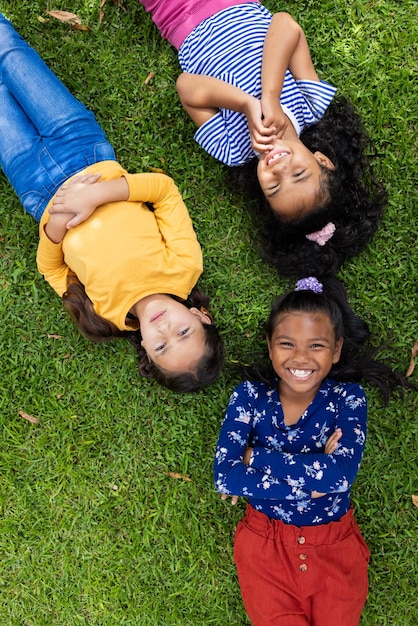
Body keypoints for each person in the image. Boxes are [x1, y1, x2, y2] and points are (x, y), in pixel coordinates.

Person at [0, 13, 224, 392]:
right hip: (82, 147)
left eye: (161, 345)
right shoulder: (185, 267)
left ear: (145, 352)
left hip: (34, 184)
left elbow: (53, 272)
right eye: (184, 331)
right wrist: (96, 194)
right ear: (201, 315)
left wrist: (56, 223)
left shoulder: (103, 318)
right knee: (12, 58)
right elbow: (164, 192)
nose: (165, 329)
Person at [214, 276, 412, 625]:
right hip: (264, 549)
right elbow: (226, 477)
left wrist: (253, 457)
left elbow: (340, 476)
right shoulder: (248, 396)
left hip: (335, 549)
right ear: (270, 346)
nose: (300, 358)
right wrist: (313, 476)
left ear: (336, 350)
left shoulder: (348, 398)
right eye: (287, 343)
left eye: (316, 346)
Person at [138, 1, 386, 276]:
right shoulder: (311, 106)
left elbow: (185, 85)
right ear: (323, 160)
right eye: (300, 174)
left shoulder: (231, 149)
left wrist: (246, 105)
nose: (280, 170)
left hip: (174, 16)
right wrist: (270, 97)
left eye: (274, 188)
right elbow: (284, 24)